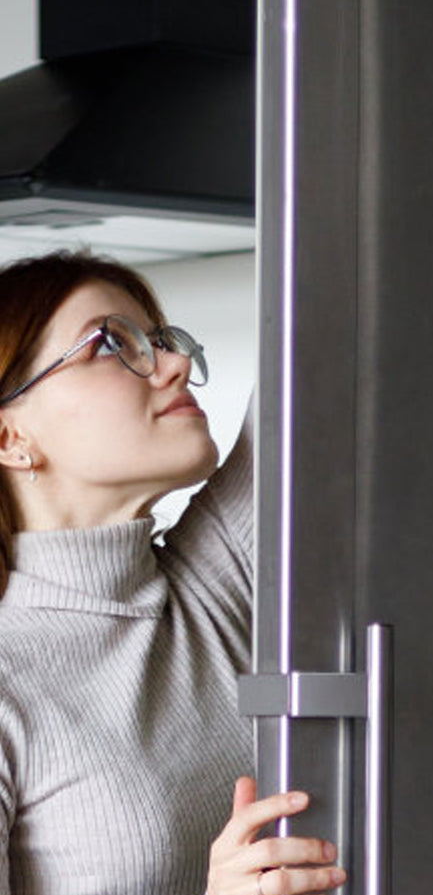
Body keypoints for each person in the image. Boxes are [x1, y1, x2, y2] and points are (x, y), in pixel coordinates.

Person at [0, 251, 345, 895]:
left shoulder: (211, 583)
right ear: (8, 438)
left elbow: (331, 326)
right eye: (111, 344)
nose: (175, 364)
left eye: (161, 341)